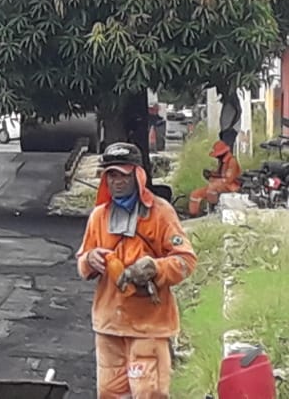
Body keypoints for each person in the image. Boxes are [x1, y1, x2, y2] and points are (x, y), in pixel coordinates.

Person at [75, 142, 197, 398]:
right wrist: (90, 259)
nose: (117, 181)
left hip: (149, 328)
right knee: (109, 394)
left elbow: (186, 261)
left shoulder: (161, 213)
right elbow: (82, 262)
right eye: (111, 175)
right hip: (109, 327)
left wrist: (155, 267)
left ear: (138, 176)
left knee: (148, 393)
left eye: (123, 175)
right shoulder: (99, 216)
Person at [188, 140, 242, 217]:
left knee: (212, 187)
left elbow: (228, 180)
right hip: (219, 185)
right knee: (195, 194)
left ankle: (213, 210)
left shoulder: (232, 161)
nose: (217, 157)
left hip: (231, 186)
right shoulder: (222, 162)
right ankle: (193, 215)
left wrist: (214, 179)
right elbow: (219, 175)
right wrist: (211, 174)